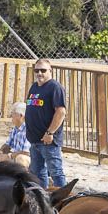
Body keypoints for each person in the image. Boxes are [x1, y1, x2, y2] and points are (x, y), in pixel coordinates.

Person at [23, 58, 66, 188]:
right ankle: (43, 200)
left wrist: (50, 132)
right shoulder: (34, 87)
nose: (39, 73)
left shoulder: (55, 87)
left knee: (56, 173)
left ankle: (65, 200)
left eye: (43, 70)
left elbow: (61, 112)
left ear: (50, 71)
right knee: (37, 174)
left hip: (48, 140)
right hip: (34, 140)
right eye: (37, 70)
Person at [0, 101, 30, 166]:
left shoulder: (28, 129)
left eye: (13, 113)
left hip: (27, 160)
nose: (11, 116)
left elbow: (27, 152)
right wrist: (0, 151)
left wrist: (10, 155)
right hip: (15, 157)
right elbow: (8, 144)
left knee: (20, 158)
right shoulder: (16, 128)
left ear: (21, 116)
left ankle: (23, 175)